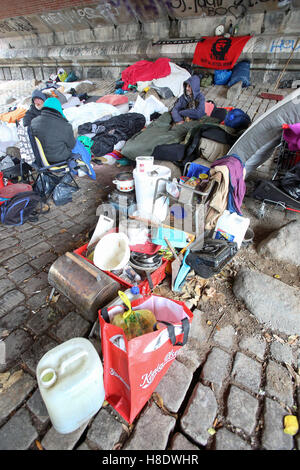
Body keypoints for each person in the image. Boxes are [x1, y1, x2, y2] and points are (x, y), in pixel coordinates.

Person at [31, 97, 95, 178]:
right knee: (79, 145)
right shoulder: (65, 125)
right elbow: (71, 145)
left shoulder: (34, 121)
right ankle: (86, 165)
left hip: (40, 159)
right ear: (58, 108)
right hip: (58, 160)